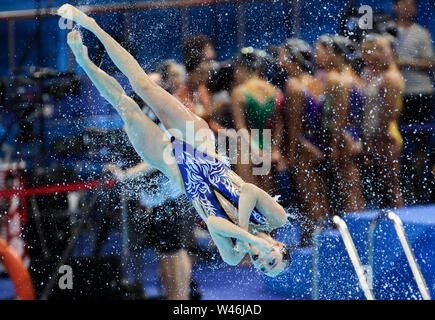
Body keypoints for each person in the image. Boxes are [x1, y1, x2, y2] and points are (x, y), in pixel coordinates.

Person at [57, 4, 291, 277]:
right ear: (277, 243)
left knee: (125, 107)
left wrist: (244, 239)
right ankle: (92, 25)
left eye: (263, 269)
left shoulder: (232, 254)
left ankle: (84, 61)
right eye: (271, 261)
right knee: (143, 85)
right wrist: (245, 233)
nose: (261, 262)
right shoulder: (276, 218)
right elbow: (249, 191)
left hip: (174, 170)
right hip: (201, 145)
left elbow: (214, 222)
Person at [277, 38, 329, 246]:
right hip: (317, 141)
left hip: (302, 145)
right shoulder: (317, 81)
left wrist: (290, 154)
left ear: (293, 58)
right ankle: (321, 236)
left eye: (282, 55)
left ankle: (312, 239)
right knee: (319, 190)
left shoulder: (293, 85)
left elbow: (294, 127)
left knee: (306, 193)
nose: (279, 60)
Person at [315, 35, 366, 215]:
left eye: (321, 52)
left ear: (334, 53)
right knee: (353, 186)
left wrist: (335, 144)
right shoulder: (353, 75)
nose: (317, 56)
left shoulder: (339, 79)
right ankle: (357, 228)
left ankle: (353, 230)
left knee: (349, 188)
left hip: (345, 136)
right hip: (352, 134)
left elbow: (340, 117)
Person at [393, 0, 435, 203]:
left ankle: (418, 184)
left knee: (420, 142)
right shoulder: (387, 31)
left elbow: (431, 63)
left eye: (413, 4)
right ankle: (400, 187)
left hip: (419, 93)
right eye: (405, 4)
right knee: (395, 142)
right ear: (395, 7)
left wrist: (406, 63)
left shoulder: (421, 33)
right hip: (394, 95)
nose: (410, 9)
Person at [231, 47, 286, 196]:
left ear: (243, 68)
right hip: (267, 144)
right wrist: (275, 149)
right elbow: (280, 125)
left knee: (251, 198)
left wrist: (254, 149)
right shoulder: (275, 91)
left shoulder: (239, 92)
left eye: (237, 69)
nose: (235, 74)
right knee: (269, 197)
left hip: (246, 148)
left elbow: (240, 127)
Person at [359, 33, 405, 209]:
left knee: (391, 185)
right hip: (375, 134)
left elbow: (389, 113)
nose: (371, 54)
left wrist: (377, 138)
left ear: (390, 52)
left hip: (387, 135)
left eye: (379, 49)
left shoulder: (391, 77)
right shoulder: (373, 74)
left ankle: (400, 227)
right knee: (383, 185)